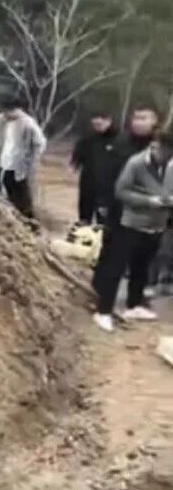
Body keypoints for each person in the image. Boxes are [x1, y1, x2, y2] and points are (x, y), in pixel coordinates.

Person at [91, 105, 164, 327]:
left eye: (144, 118)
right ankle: (103, 307)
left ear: (156, 121)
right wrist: (103, 202)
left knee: (143, 261)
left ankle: (135, 303)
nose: (138, 122)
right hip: (122, 212)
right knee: (115, 259)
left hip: (151, 216)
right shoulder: (121, 145)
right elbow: (105, 175)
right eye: (136, 117)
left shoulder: (160, 147)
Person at [0, 96, 47, 223]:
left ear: (18, 110)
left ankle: (26, 220)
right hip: (0, 160)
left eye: (10, 111)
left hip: (18, 165)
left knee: (19, 191)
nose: (7, 114)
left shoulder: (27, 123)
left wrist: (31, 159)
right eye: (5, 111)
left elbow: (40, 143)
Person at [70, 109, 119, 227]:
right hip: (88, 183)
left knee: (104, 221)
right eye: (95, 125)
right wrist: (74, 165)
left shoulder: (119, 140)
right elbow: (77, 156)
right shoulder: (87, 139)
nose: (97, 127)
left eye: (100, 124)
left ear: (108, 121)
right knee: (84, 217)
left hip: (108, 187)